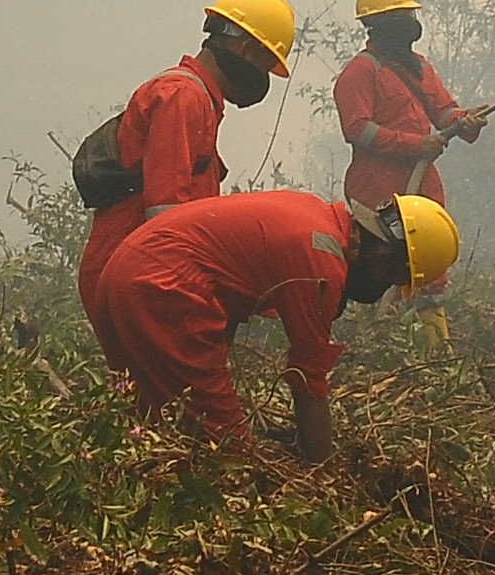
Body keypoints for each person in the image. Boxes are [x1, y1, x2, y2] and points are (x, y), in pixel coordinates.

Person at [93, 186, 457, 458]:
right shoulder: (322, 259)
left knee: (148, 424)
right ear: (387, 257)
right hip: (162, 287)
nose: (383, 288)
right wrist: (322, 470)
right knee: (229, 455)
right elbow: (307, 378)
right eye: (392, 278)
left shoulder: (314, 212)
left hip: (123, 272)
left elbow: (223, 282)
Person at [78, 0, 297, 368]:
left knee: (150, 393)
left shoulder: (199, 100)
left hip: (142, 273)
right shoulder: (182, 96)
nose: (261, 80)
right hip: (135, 277)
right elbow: (166, 218)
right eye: (265, 67)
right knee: (158, 391)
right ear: (245, 50)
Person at [334, 0, 485, 209]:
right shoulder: (361, 71)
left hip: (423, 191)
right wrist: (416, 145)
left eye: (410, 15)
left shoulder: (420, 66)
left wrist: (465, 120)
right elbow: (358, 130)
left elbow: (443, 112)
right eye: (401, 17)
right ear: (381, 25)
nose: (409, 24)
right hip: (378, 195)